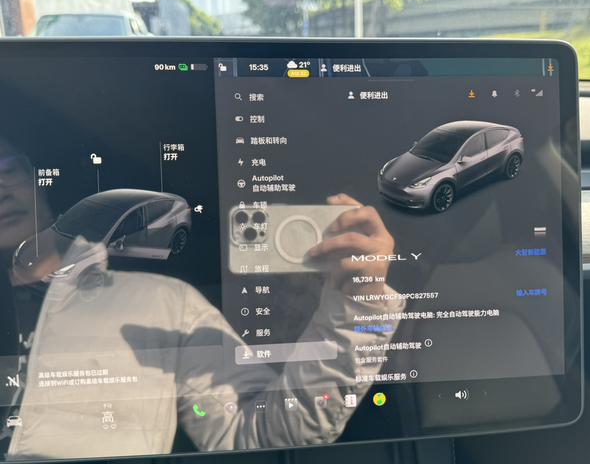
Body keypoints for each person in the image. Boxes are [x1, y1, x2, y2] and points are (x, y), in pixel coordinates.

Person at [0, 141, 405, 459]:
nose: (0, 188)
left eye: (9, 169)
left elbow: (258, 433)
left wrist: (358, 305)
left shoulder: (163, 305)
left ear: (38, 179)